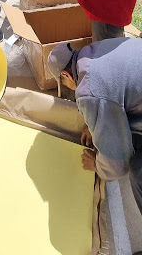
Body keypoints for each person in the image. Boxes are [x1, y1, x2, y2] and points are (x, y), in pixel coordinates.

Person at [48, 36, 142, 222]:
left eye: (65, 85)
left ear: (65, 76)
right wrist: (94, 121)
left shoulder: (89, 92)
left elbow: (116, 165)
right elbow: (113, 89)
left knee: (138, 171)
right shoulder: (93, 51)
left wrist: (98, 167)